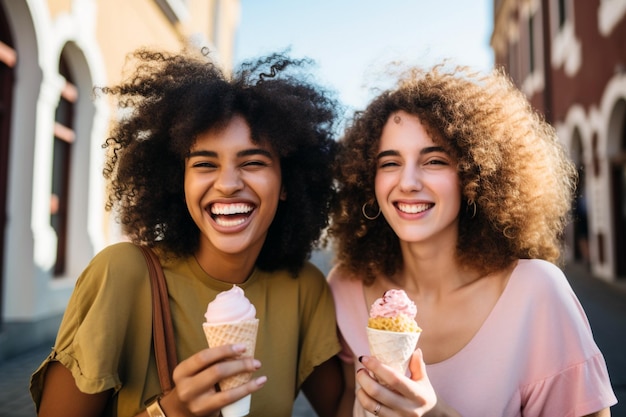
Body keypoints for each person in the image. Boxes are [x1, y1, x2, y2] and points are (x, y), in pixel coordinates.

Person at [30, 48, 344, 417]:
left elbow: (345, 409)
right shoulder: (124, 273)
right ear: (179, 181)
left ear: (287, 181)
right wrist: (171, 410)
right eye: (204, 164)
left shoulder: (302, 287)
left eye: (253, 162)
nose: (228, 184)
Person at [327, 63, 617, 417]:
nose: (408, 182)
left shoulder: (537, 292)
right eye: (390, 163)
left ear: (474, 174)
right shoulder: (345, 287)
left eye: (434, 160)